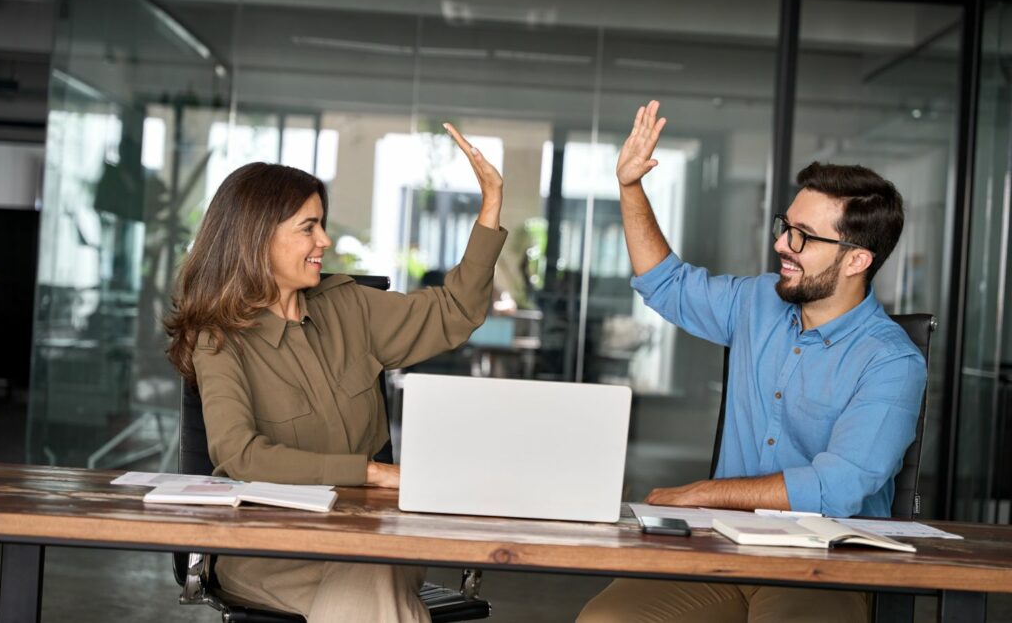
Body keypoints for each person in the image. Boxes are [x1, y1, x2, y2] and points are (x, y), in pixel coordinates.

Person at [578, 101, 926, 623]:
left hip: (826, 566)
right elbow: (666, 284)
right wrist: (631, 188)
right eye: (786, 225)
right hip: (725, 552)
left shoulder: (891, 361)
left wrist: (702, 493)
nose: (781, 243)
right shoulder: (758, 301)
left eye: (803, 236)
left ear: (856, 259)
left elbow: (839, 485)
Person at [165, 123, 506, 623]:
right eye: (308, 227)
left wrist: (491, 204)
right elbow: (239, 454)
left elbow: (455, 310)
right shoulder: (219, 339)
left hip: (370, 535)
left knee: (369, 570)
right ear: (257, 238)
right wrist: (366, 473)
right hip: (269, 550)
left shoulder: (349, 307)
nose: (324, 239)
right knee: (371, 581)